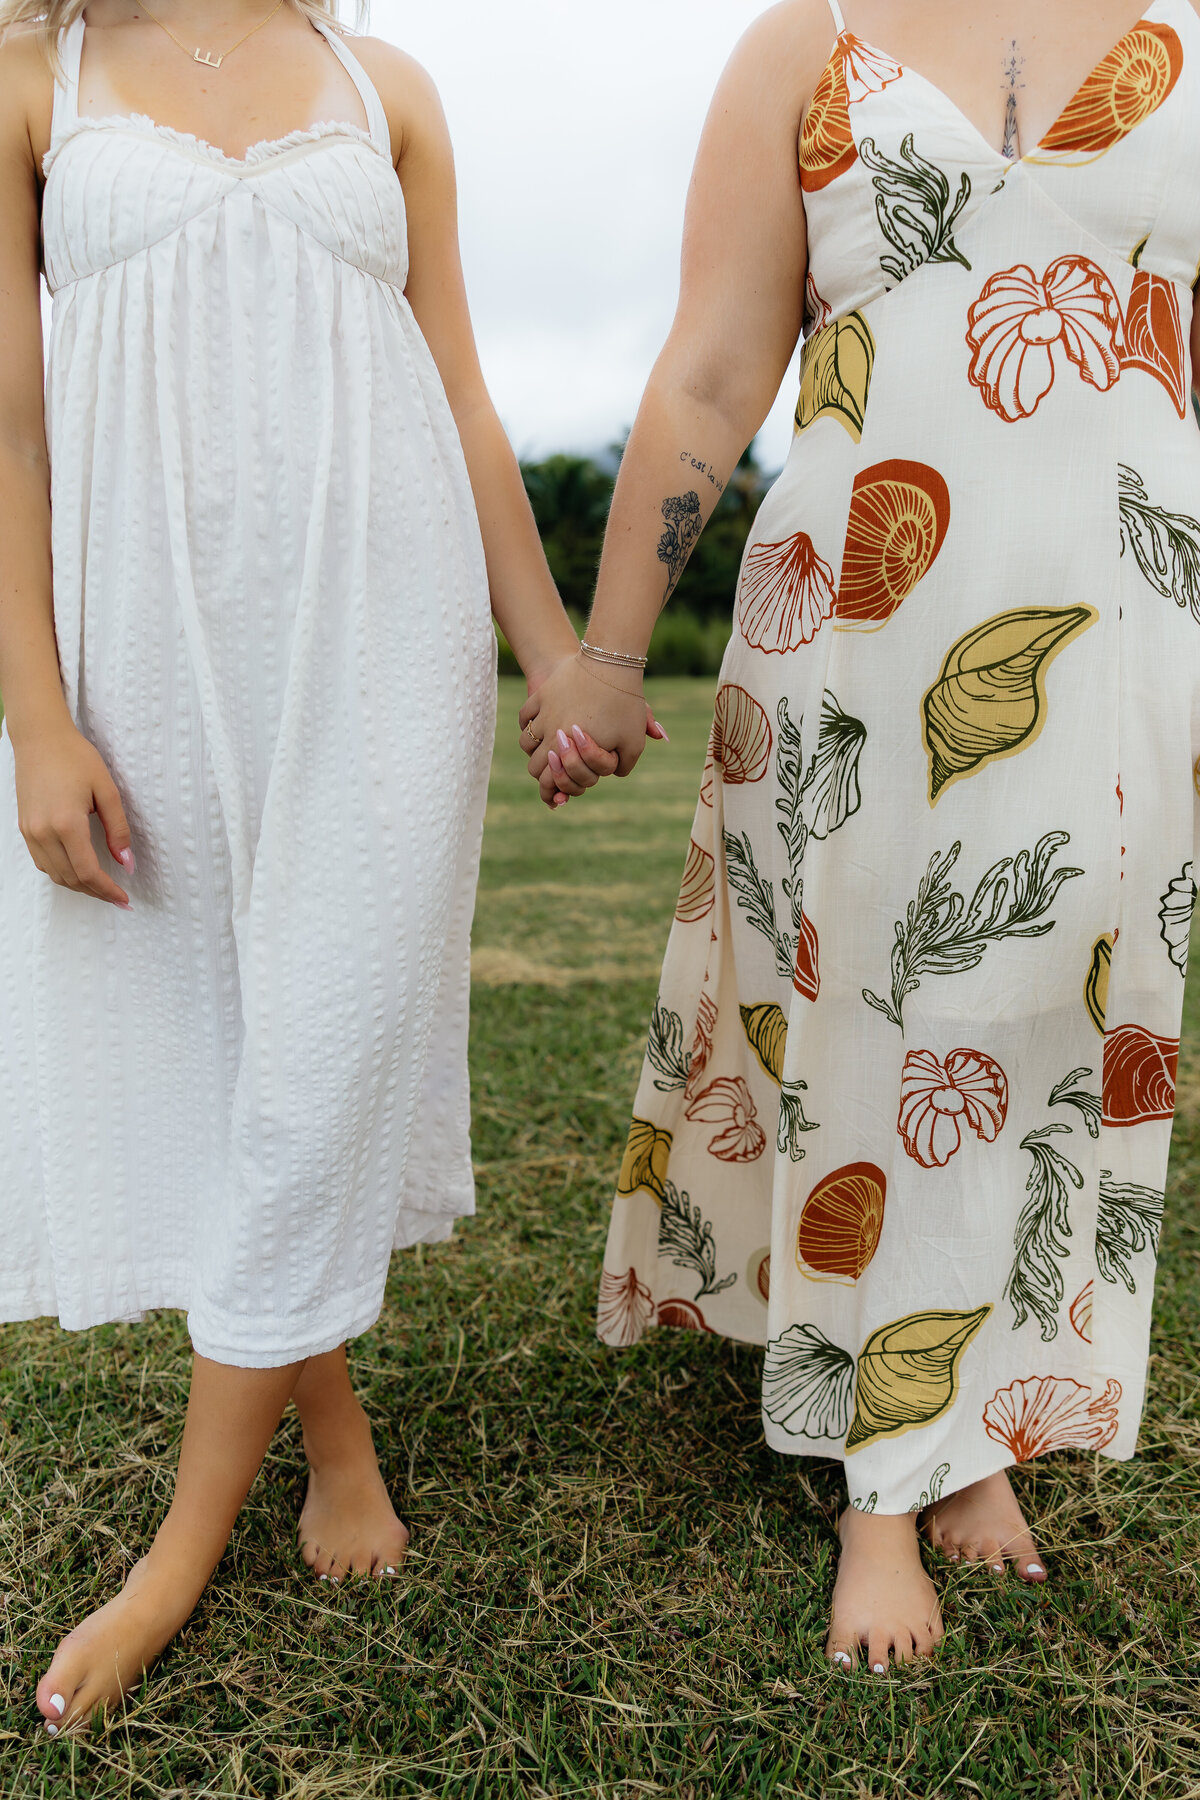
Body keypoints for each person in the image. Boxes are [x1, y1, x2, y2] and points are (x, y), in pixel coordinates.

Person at [521, 0, 1200, 1671]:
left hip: (1128, 603)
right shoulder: (804, 43)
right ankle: (885, 1484)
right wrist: (607, 658)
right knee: (880, 1007)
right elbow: (711, 364)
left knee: (1065, 996)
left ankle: (985, 1409)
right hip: (867, 619)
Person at [0, 0, 633, 1733]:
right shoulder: (28, 82)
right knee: (234, 1054)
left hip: (383, 620)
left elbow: (469, 402)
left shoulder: (391, 89)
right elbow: (9, 431)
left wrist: (560, 654)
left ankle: (180, 1551)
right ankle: (328, 1426)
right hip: (143, 636)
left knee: (328, 1039)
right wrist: (36, 721)